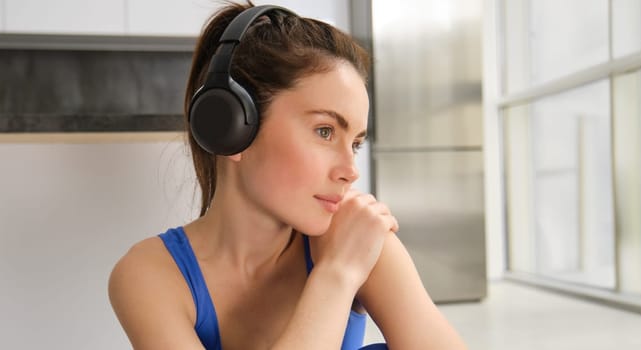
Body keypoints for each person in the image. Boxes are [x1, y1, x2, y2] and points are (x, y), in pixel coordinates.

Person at [108, 2, 468, 349]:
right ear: (233, 129)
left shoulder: (360, 239)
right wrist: (336, 274)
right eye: (325, 131)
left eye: (355, 143)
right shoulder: (148, 274)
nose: (350, 171)